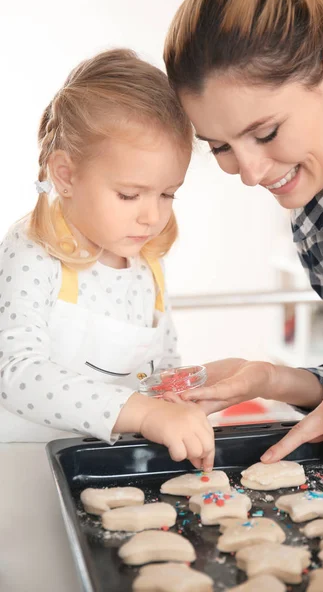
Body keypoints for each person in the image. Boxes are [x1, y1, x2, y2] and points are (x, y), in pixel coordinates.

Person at [163, 0, 323, 463]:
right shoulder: (315, 226)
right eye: (221, 147)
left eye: (266, 133)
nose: (250, 173)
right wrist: (270, 378)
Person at [0, 48, 215, 471]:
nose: (152, 216)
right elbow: (16, 374)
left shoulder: (146, 260)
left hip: (111, 464)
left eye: (168, 194)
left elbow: (164, 364)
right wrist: (144, 413)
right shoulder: (32, 252)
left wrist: (180, 398)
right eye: (130, 195)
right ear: (66, 175)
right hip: (23, 469)